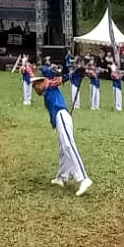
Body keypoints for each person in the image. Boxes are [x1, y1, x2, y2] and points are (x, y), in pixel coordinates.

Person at [33, 66, 92, 196]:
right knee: (63, 148)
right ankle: (62, 177)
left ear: (43, 81)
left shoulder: (50, 84)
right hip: (60, 119)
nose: (35, 86)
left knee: (68, 145)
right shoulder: (47, 90)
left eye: (37, 83)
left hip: (62, 116)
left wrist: (77, 71)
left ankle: (83, 178)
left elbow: (62, 77)